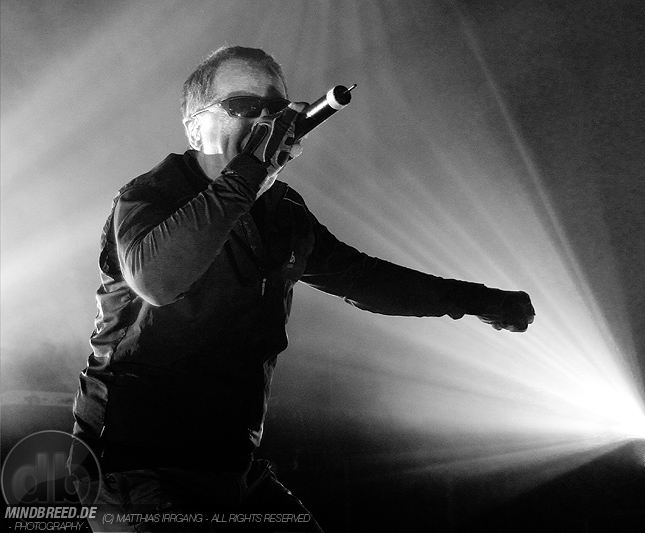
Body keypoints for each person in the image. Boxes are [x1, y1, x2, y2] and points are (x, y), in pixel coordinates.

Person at [70, 45, 535, 532]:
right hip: (137, 467)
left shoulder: (284, 212)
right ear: (194, 128)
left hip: (232, 467)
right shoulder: (150, 195)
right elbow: (157, 280)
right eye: (244, 106)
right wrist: (250, 172)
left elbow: (364, 279)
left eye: (275, 109)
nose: (265, 120)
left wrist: (478, 299)